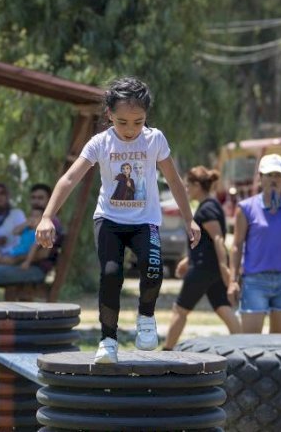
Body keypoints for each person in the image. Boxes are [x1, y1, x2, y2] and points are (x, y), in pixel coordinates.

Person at [35, 77, 201, 364]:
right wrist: (48, 216)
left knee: (152, 267)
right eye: (122, 122)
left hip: (145, 220)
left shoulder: (155, 140)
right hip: (109, 219)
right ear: (109, 114)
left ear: (146, 117)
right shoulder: (100, 143)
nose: (130, 130)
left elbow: (174, 180)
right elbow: (70, 178)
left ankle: (146, 318)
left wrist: (190, 220)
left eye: (138, 122)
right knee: (111, 274)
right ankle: (108, 340)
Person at [228, 154, 281, 335]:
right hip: (255, 280)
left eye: (278, 175)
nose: (274, 179)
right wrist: (232, 280)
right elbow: (237, 245)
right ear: (260, 177)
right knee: (251, 343)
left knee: (278, 344)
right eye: (270, 175)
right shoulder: (246, 207)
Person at [163, 166, 240, 350]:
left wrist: (224, 269)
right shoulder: (211, 206)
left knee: (180, 309)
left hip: (203, 269)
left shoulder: (207, 209)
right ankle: (244, 346)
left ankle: (166, 352)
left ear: (198, 185)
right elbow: (204, 242)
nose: (187, 190)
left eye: (188, 186)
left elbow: (218, 239)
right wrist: (187, 260)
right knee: (223, 308)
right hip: (208, 268)